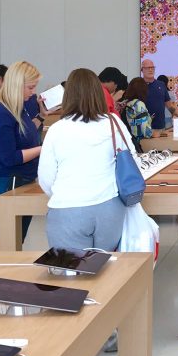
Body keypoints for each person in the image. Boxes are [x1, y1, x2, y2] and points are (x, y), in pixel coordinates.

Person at [38, 68, 129, 251]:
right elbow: (131, 161)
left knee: (71, 267)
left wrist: (62, 194)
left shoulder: (57, 130)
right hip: (109, 207)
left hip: (68, 209)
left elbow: (46, 178)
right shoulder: (113, 122)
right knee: (107, 264)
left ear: (67, 95)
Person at [0, 61, 42, 251]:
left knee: (16, 237)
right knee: (4, 239)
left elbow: (26, 135)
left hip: (22, 178)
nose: (33, 92)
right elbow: (10, 158)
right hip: (6, 180)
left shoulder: (18, 107)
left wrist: (41, 116)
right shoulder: (0, 112)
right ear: (17, 85)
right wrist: (43, 149)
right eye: (30, 87)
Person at [141, 60, 176, 130]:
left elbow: (169, 105)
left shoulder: (161, 84)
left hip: (160, 127)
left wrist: (177, 113)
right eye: (148, 68)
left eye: (152, 67)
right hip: (143, 127)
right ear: (142, 70)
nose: (150, 70)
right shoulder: (137, 85)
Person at [122, 77, 153, 149]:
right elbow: (145, 132)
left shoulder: (128, 102)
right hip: (138, 142)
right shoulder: (139, 104)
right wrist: (153, 133)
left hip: (130, 140)